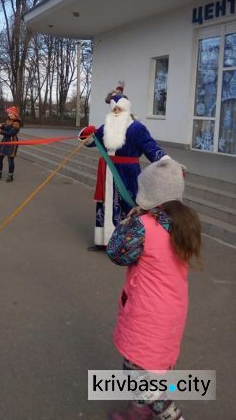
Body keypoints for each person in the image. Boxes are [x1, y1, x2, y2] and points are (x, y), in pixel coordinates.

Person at [107, 157, 201, 420]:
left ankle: (169, 415)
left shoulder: (144, 226)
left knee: (144, 377)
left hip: (147, 314)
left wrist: (128, 221)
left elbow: (116, 253)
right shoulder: (185, 224)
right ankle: (137, 412)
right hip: (171, 310)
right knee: (139, 367)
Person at [79, 90, 167, 251]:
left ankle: (128, 243)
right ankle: (104, 241)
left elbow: (150, 147)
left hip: (128, 172)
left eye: (119, 109)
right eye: (114, 109)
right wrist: (87, 133)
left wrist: (165, 161)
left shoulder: (137, 128)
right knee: (105, 205)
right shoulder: (106, 126)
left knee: (128, 205)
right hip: (107, 172)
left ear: (127, 109)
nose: (116, 112)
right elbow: (91, 141)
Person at [0, 106, 23, 183]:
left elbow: (10, 133)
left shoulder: (17, 123)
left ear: (15, 115)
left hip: (12, 141)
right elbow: (5, 126)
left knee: (10, 159)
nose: (9, 114)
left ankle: (10, 176)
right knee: (0, 157)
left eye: (11, 113)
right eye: (9, 113)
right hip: (5, 141)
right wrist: (0, 126)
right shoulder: (8, 120)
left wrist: (0, 131)